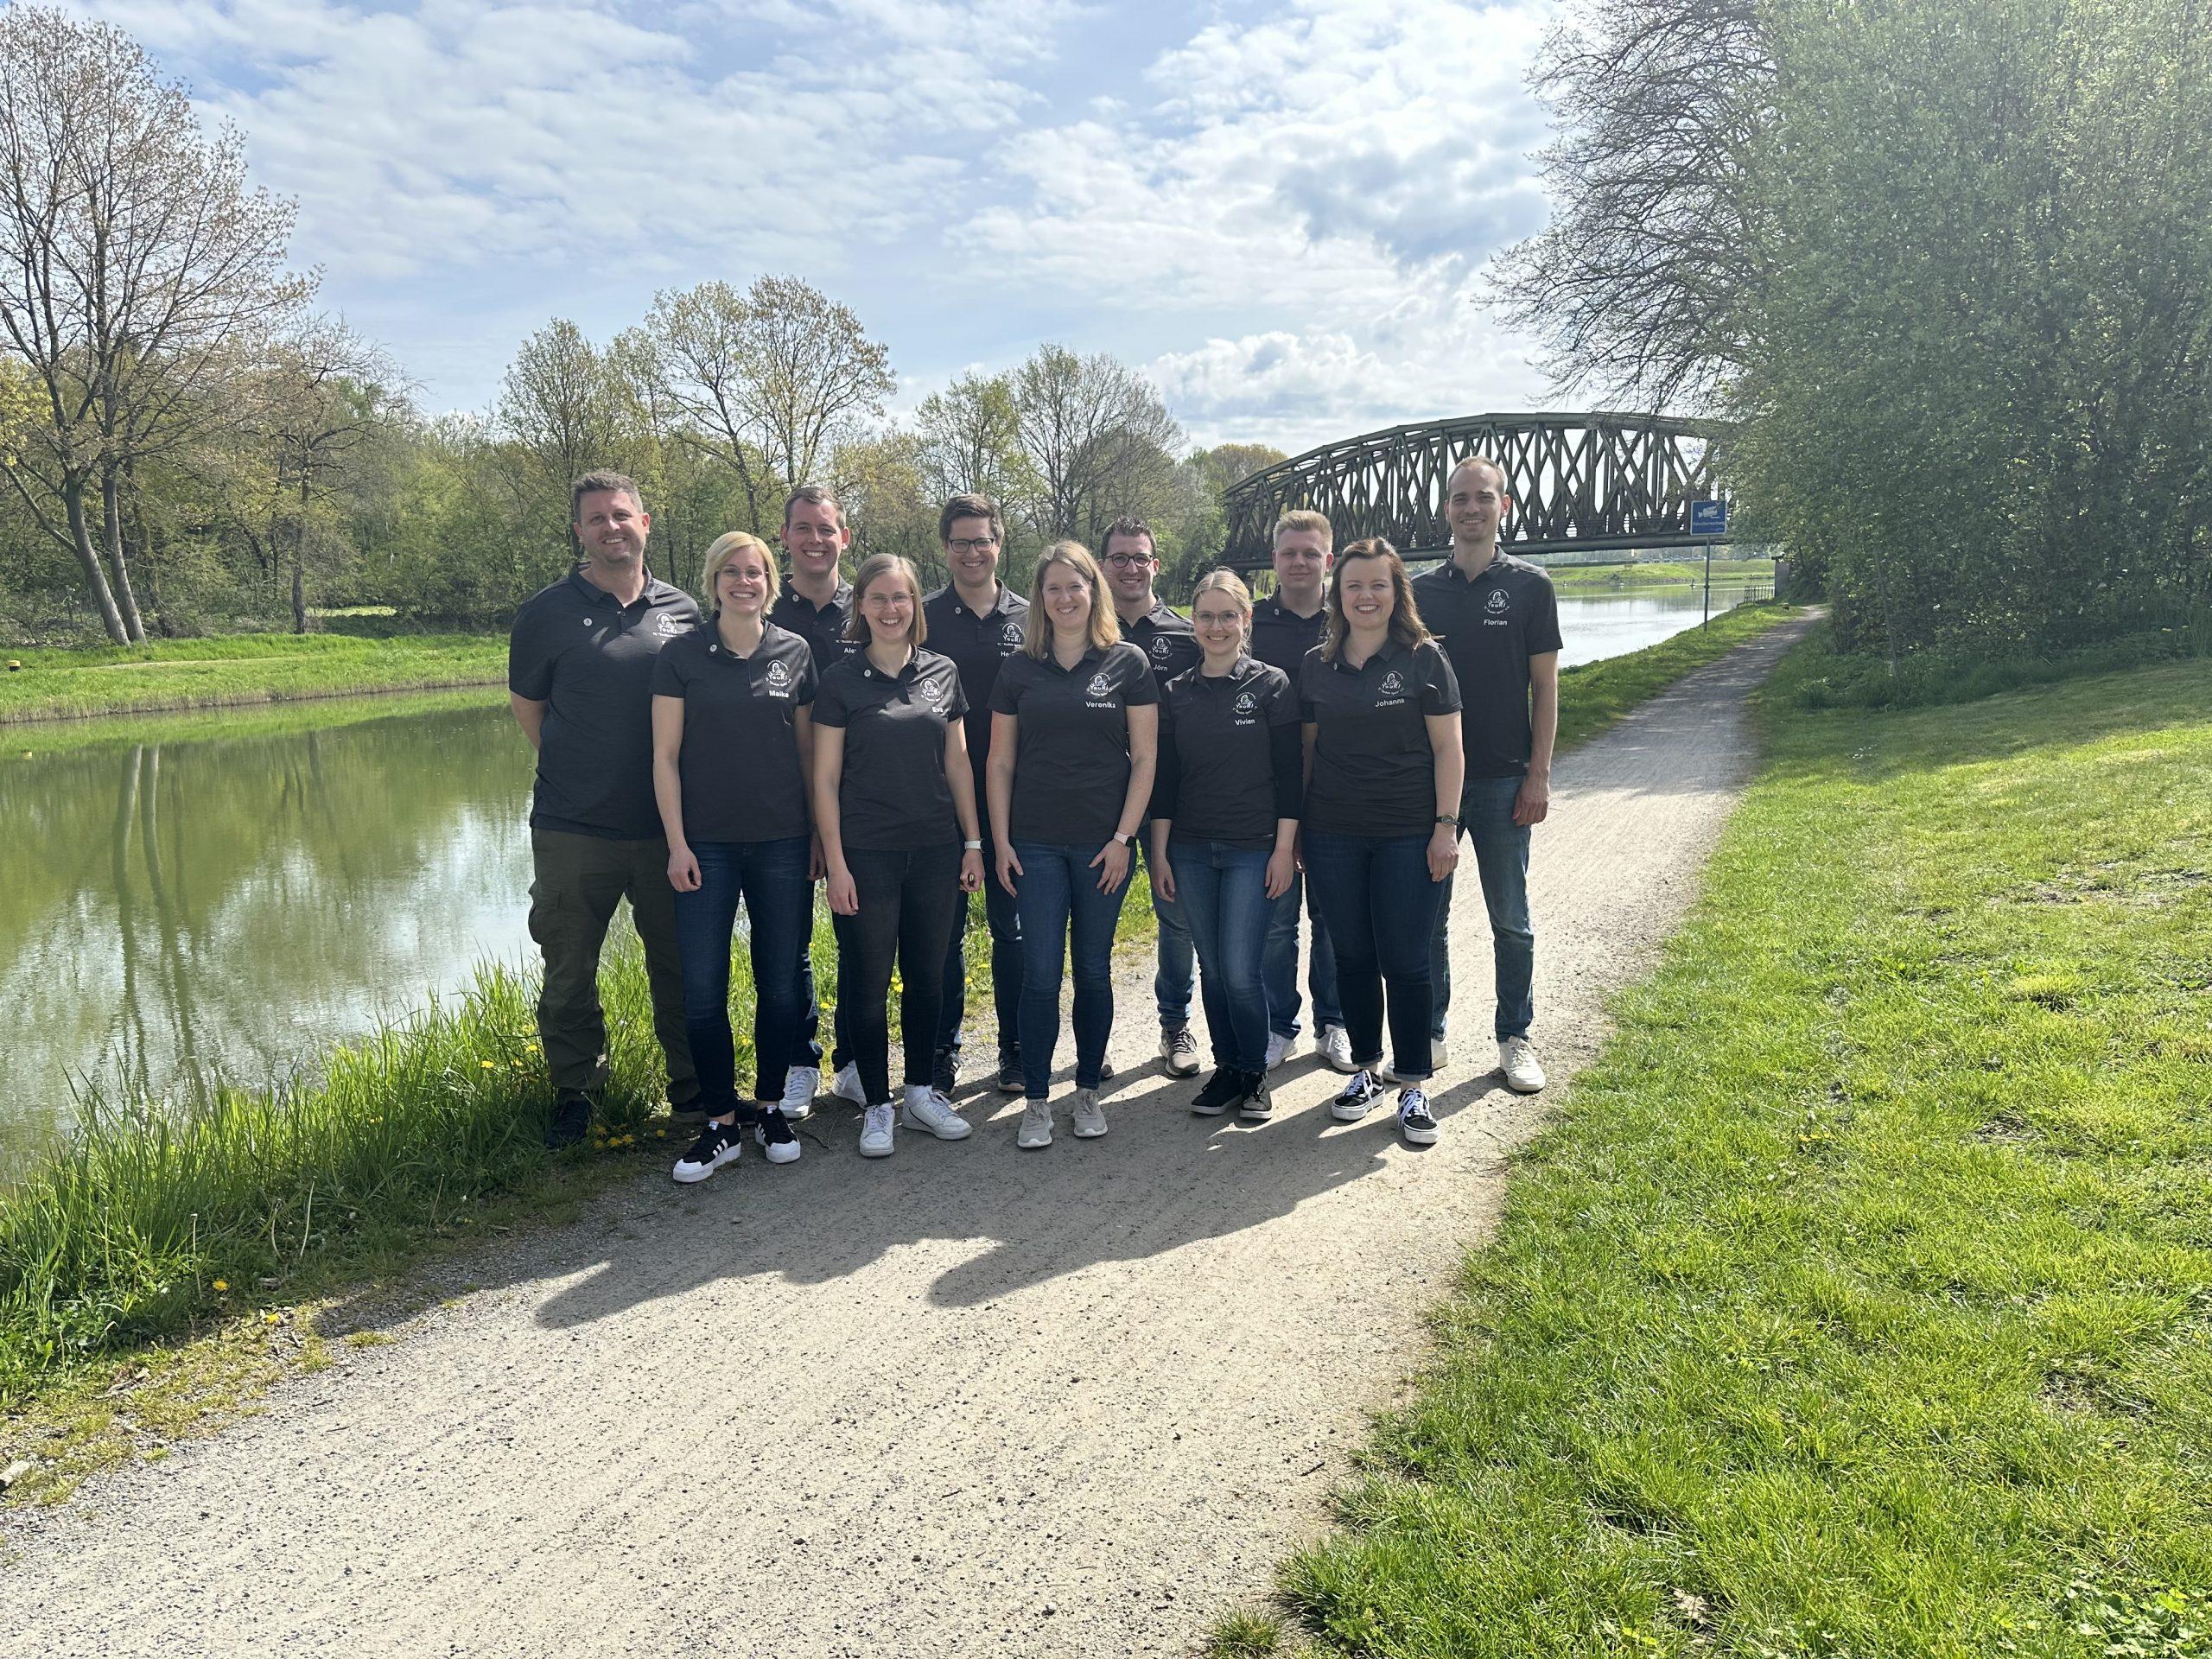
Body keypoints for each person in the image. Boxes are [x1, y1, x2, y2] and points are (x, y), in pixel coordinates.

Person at [507, 470, 702, 1147]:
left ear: (644, 523)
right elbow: (530, 711)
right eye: (596, 519)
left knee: (681, 966)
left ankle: (693, 1091)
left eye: (622, 515)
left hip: (668, 830)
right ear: (579, 532)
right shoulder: (545, 614)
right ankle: (578, 1097)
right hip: (573, 830)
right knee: (568, 970)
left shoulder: (683, 611)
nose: (611, 528)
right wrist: (583, 767)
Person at [811, 554, 987, 1158]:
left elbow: (958, 764)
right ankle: (877, 1106)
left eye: (901, 598)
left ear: (916, 604)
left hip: (936, 849)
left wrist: (972, 843)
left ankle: (918, 1094)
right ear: (860, 606)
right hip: (867, 854)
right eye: (879, 598)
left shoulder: (942, 671)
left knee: (928, 977)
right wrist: (836, 863)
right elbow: (824, 779)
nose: (891, 609)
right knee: (867, 982)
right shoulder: (840, 680)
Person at [650, 532, 812, 1179]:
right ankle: (720, 1123)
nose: (744, 582)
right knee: (702, 990)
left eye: (755, 572)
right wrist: (677, 843)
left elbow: (808, 756)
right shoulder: (681, 655)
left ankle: (769, 1108)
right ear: (713, 582)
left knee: (780, 984)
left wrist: (818, 838)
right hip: (705, 846)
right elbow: (664, 757)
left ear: (770, 582)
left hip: (782, 842)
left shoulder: (794, 652)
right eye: (731, 573)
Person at [988, 540, 1159, 1148]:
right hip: (1033, 844)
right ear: (1040, 597)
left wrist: (1123, 838)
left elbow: (1145, 758)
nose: (1064, 598)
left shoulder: (1128, 662)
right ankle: (1036, 1099)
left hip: (1102, 847)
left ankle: (1086, 1090)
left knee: (1092, 969)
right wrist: (1000, 841)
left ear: (1094, 591)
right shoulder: (1018, 669)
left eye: (1075, 586)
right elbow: (999, 762)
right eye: (1053, 588)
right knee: (1039, 974)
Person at [1298, 537, 1465, 1146]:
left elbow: (1449, 748)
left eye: (1378, 585)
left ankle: (1413, 1084)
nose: (1365, 596)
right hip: (1333, 834)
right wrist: (1300, 830)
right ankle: (1366, 1072)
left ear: (1397, 593)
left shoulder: (1424, 659)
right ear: (1337, 595)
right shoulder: (1316, 664)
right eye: (1354, 586)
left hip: (1408, 833)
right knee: (1352, 956)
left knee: (1406, 959)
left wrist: (1445, 827)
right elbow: (1308, 753)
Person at [1409, 456, 1560, 1095]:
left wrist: (1538, 775)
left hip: (1503, 778)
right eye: (1461, 498)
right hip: (1430, 784)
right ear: (1447, 508)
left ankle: (1514, 1037)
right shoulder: (1419, 592)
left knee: (1511, 920)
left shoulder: (1531, 587)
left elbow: (1545, 689)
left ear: (1505, 506)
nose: (1472, 508)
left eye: (1484, 497)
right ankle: (1431, 1033)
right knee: (1429, 919)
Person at [1147, 571, 1301, 1120]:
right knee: (1212, 968)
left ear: (1246, 619)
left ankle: (1255, 1073)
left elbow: (1290, 775)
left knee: (1240, 969)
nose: (1217, 627)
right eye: (1206, 617)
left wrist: (1284, 850)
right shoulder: (1175, 692)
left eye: (1227, 616)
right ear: (1193, 623)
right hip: (1190, 848)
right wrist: (1160, 854)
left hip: (1253, 847)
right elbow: (1165, 781)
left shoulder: (1272, 685)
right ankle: (1228, 1069)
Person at [921, 493, 1029, 1098]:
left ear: (999, 543)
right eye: (960, 542)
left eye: (982, 540)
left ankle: (1015, 1047)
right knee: (946, 935)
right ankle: (943, 1051)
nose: (971, 552)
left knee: (1013, 933)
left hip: (1018, 800)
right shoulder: (924, 617)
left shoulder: (1032, 617)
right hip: (943, 801)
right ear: (945, 548)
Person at [766, 485, 863, 1120]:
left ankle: (854, 1063)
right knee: (790, 944)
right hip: (783, 806)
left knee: (861, 939)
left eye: (826, 529)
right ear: (785, 537)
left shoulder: (872, 607)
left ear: (843, 538)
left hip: (868, 803)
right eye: (803, 528)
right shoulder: (762, 608)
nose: (815, 540)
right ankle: (800, 1063)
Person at [1099, 515, 1204, 1079]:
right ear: (1103, 566)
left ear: (1155, 565)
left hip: (1171, 800)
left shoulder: (1186, 635)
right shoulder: (1087, 631)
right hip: (1100, 799)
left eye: (1140, 557)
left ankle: (1174, 1025)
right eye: (1119, 558)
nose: (1130, 568)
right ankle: (1095, 1034)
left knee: (1176, 916)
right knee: (1096, 922)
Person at [1247, 510, 1351, 1074]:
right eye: (1289, 553)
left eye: (1311, 553)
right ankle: (1277, 1024)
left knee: (1331, 920)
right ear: (1274, 559)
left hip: (1337, 791)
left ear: (1328, 560)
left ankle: (1333, 1024)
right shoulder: (1253, 623)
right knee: (1277, 921)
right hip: (1269, 793)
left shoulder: (1350, 618)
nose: (1300, 562)